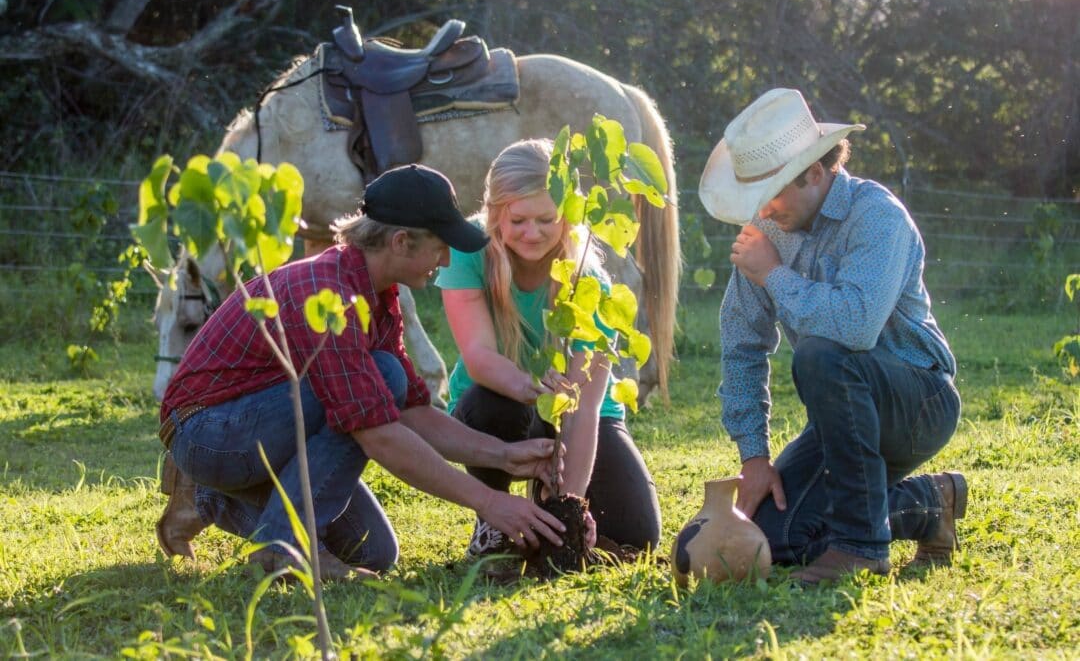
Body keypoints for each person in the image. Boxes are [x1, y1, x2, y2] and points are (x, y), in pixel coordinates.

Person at [155, 164, 568, 581]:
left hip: (256, 428)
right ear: (402, 242)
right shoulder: (327, 292)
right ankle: (282, 547)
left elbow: (412, 411)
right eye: (441, 246)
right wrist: (489, 502)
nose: (446, 259)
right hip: (205, 430)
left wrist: (504, 456)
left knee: (373, 552)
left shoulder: (379, 295)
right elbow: (378, 433)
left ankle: (206, 496)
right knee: (382, 375)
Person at [698, 88, 966, 584]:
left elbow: (855, 327)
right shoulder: (767, 231)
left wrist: (774, 275)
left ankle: (863, 547)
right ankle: (929, 504)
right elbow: (741, 346)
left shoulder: (878, 216)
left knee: (822, 354)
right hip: (841, 418)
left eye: (773, 192)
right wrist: (754, 457)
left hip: (917, 403)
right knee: (777, 539)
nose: (763, 210)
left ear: (816, 173)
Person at [435, 139, 662, 558]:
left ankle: (546, 501)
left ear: (568, 218)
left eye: (547, 219)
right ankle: (495, 522)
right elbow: (480, 359)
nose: (532, 233)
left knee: (636, 534)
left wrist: (570, 507)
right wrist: (537, 388)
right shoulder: (467, 254)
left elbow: (586, 405)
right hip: (498, 401)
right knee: (493, 406)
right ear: (494, 214)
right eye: (518, 219)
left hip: (576, 412)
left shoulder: (588, 281)